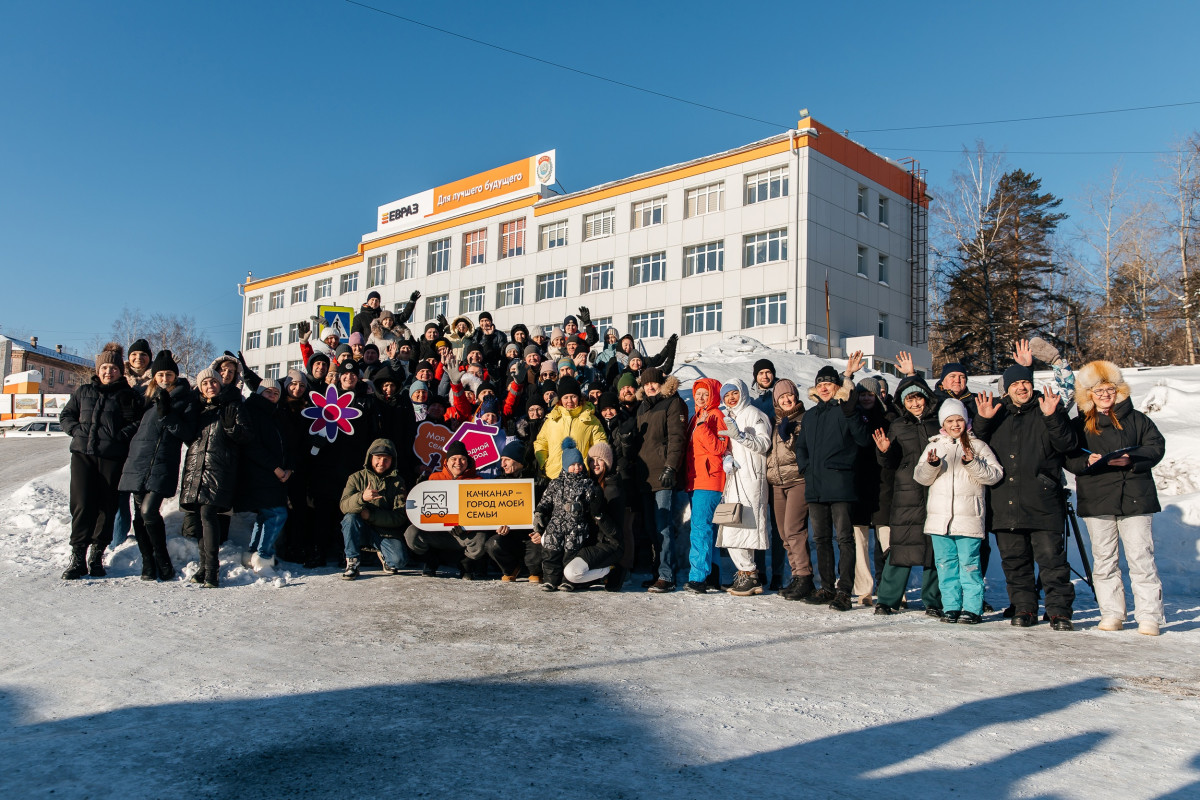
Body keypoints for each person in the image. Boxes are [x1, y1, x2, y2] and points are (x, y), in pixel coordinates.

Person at [974, 363, 1079, 630]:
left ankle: (1059, 611)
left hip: (1043, 500)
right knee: (1015, 561)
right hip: (1004, 500)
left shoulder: (1048, 409)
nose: (1021, 387)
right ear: (1007, 390)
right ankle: (1024, 608)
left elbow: (1068, 445)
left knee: (1052, 561)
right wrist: (983, 420)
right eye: (1015, 385)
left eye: (1025, 383)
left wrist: (1053, 417)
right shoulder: (996, 414)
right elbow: (976, 448)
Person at [1065, 361, 1166, 636]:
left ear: (1118, 389)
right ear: (1088, 394)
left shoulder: (1138, 419)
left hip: (1135, 497)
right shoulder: (1079, 425)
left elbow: (1156, 446)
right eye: (1098, 390)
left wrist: (1132, 459)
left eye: (1109, 389)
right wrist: (1087, 460)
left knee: (1141, 558)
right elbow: (1066, 456)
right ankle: (1111, 613)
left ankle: (1149, 617)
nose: (1105, 395)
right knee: (1104, 559)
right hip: (1097, 497)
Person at [914, 399, 1004, 624]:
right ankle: (951, 606)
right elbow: (920, 477)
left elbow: (995, 475)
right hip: (939, 520)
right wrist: (931, 465)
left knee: (969, 565)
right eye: (951, 420)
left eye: (959, 420)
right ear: (943, 424)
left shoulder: (978, 446)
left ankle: (972, 608)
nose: (956, 424)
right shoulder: (934, 446)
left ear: (966, 421)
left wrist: (973, 463)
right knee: (945, 566)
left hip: (969, 519)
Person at [60, 343, 142, 580]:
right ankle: (77, 558)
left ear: (120, 371)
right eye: (104, 367)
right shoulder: (83, 391)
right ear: (98, 370)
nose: (109, 372)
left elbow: (137, 422)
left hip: (111, 458)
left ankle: (96, 557)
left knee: (106, 507)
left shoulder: (128, 395)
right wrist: (76, 430)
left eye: (113, 368)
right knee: (82, 504)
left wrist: (120, 437)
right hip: (83, 456)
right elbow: (66, 415)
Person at [794, 353, 869, 611]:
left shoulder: (846, 410)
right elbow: (800, 446)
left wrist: (849, 390)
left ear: (836, 386)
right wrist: (804, 467)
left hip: (840, 485)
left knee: (844, 538)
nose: (824, 387)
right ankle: (826, 587)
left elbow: (862, 439)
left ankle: (844, 591)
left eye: (829, 383)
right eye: (821, 383)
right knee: (822, 539)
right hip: (815, 487)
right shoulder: (811, 416)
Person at [117, 350, 197, 582]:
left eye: (168, 374)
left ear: (175, 375)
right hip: (139, 460)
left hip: (163, 462)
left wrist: (167, 414)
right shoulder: (147, 397)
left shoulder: (186, 398)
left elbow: (187, 433)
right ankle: (148, 563)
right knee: (139, 518)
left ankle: (163, 560)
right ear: (154, 377)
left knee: (149, 511)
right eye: (160, 374)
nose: (164, 378)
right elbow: (138, 427)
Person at [872, 378, 944, 617]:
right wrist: (884, 452)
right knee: (900, 546)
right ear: (903, 402)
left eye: (918, 397)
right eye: (909, 399)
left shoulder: (938, 424)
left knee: (934, 548)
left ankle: (933, 600)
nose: (915, 403)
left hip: (936, 492)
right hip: (906, 492)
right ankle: (887, 599)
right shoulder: (898, 426)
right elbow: (889, 463)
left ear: (926, 398)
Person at [179, 366, 245, 588]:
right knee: (199, 518)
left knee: (208, 514)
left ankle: (212, 570)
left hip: (219, 469)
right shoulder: (197, 408)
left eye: (214, 382)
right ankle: (203, 567)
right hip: (196, 468)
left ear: (221, 384)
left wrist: (230, 428)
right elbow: (188, 436)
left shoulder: (233, 405)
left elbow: (246, 436)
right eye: (205, 383)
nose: (210, 386)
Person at [715, 379, 773, 596]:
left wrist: (741, 436)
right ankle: (745, 573)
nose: (730, 398)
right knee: (732, 526)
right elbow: (731, 445)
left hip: (751, 478)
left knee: (744, 526)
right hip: (735, 478)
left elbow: (763, 444)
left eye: (734, 393)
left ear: (743, 392)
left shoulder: (754, 414)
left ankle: (750, 575)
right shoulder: (732, 416)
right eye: (726, 395)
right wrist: (727, 457)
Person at [634, 366, 688, 592]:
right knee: (651, 527)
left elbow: (677, 438)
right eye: (645, 384)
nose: (649, 386)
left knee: (663, 526)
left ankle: (667, 575)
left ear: (661, 383)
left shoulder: (672, 403)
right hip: (645, 477)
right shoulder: (643, 407)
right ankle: (658, 571)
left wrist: (670, 467)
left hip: (663, 475)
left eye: (653, 382)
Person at [234, 378, 292, 576]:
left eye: (276, 393)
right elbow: (252, 445)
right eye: (268, 392)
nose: (273, 395)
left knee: (266, 514)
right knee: (277, 513)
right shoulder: (251, 411)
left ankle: (252, 553)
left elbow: (286, 445)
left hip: (275, 474)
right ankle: (264, 555)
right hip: (259, 473)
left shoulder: (276, 414)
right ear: (259, 393)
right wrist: (275, 467)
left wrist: (288, 468)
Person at [404, 442, 487, 578]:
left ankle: (466, 564)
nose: (458, 462)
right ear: (446, 462)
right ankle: (431, 560)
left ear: (468, 461)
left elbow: (483, 513)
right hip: (437, 533)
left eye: (462, 459)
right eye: (454, 459)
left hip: (462, 535)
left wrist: (467, 527)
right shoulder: (434, 478)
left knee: (480, 538)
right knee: (411, 533)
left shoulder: (478, 481)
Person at [534, 439, 608, 591]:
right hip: (556, 525)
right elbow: (545, 501)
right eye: (573, 464)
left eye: (579, 464)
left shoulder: (587, 484)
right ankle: (550, 580)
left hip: (576, 526)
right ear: (565, 466)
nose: (577, 468)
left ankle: (568, 581)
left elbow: (593, 504)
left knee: (571, 553)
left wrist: (584, 506)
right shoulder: (555, 483)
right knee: (551, 552)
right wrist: (539, 513)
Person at [765, 378, 814, 600]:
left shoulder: (804, 420)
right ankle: (796, 576)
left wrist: (791, 436)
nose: (786, 399)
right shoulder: (775, 423)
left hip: (797, 481)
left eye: (789, 395)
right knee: (784, 534)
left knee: (794, 530)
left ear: (795, 395)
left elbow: (803, 452)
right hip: (778, 483)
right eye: (781, 397)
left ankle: (805, 576)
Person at [340, 438, 410, 580]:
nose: (381, 463)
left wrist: (370, 516)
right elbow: (344, 506)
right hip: (360, 530)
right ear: (370, 458)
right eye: (378, 458)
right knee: (349, 518)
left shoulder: (398, 482)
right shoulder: (355, 478)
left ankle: (383, 554)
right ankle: (352, 561)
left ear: (392, 461)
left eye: (386, 459)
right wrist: (361, 498)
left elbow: (400, 517)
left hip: (384, 532)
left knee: (399, 561)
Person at [683, 377, 727, 593]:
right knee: (707, 528)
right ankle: (711, 575)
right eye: (698, 393)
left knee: (700, 528)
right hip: (697, 479)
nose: (700, 398)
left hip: (709, 479)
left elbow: (720, 447)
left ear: (714, 396)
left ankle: (698, 578)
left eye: (705, 394)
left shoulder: (716, 415)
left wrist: (702, 428)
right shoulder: (697, 417)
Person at [484, 441, 544, 583]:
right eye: (501, 460)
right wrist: (497, 526)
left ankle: (535, 571)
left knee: (539, 552)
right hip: (509, 536)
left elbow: (547, 511)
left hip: (531, 536)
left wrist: (541, 531)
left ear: (520, 461)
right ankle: (511, 569)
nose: (503, 464)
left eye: (507, 460)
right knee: (493, 544)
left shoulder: (538, 483)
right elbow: (490, 512)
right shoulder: (497, 482)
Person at [533, 376, 607, 479]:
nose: (570, 401)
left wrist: (590, 465)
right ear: (560, 399)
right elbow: (541, 443)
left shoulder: (591, 420)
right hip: (554, 476)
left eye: (573, 396)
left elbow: (600, 444)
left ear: (579, 397)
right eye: (566, 397)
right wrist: (544, 463)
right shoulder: (552, 420)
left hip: (581, 475)